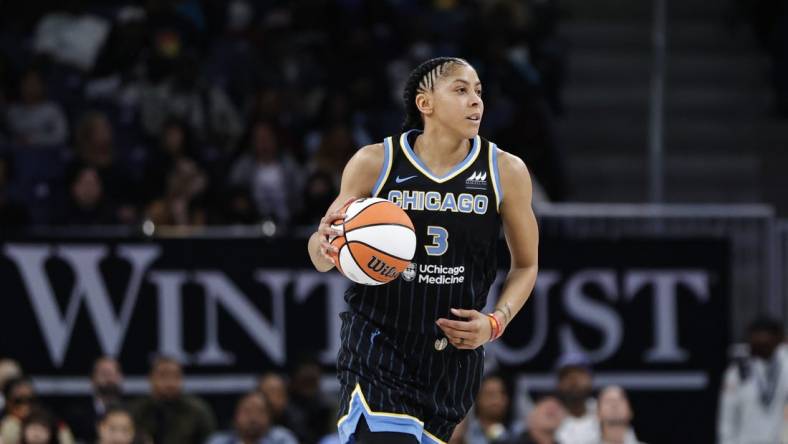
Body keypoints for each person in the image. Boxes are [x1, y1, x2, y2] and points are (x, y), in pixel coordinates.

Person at [307, 57, 539, 443]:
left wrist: (495, 322)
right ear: (425, 103)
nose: (476, 101)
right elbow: (320, 251)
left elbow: (527, 265)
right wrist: (326, 246)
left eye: (479, 92)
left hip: (451, 355)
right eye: (461, 90)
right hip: (378, 341)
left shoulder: (505, 171)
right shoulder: (375, 163)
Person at [718, 316, 788, 444]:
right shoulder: (737, 372)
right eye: (758, 337)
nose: (763, 341)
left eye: (768, 336)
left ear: (777, 339)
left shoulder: (784, 367)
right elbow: (727, 421)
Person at [129, 356, 216, 444]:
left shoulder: (197, 410)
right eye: (163, 375)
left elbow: (210, 440)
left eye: (176, 376)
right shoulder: (137, 410)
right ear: (151, 378)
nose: (170, 382)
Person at [66, 357, 124, 442]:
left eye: (113, 373)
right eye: (104, 374)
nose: (109, 379)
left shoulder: (132, 411)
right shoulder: (77, 415)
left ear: (121, 377)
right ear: (92, 379)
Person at [206, 392, 298, 444]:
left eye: (260, 412)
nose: (253, 418)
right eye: (247, 412)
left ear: (270, 417)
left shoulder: (282, 439)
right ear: (235, 416)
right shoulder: (219, 441)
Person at [554, 352, 596, 443]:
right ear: (558, 384)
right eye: (566, 375)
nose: (573, 380)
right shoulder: (549, 417)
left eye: (579, 373)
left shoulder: (606, 412)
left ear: (590, 379)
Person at [465, 374, 511, 443]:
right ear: (478, 399)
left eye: (501, 393)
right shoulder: (464, 433)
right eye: (490, 394)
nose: (496, 400)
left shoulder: (519, 433)